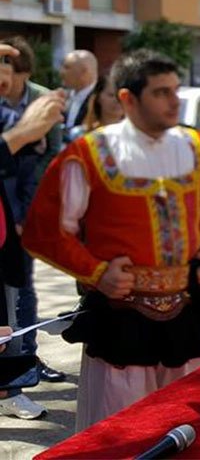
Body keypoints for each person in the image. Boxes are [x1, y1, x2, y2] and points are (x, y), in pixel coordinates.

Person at [22, 49, 200, 430]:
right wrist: (95, 271)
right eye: (160, 92)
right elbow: (46, 230)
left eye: (175, 90)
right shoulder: (88, 153)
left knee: (186, 423)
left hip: (183, 314)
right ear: (127, 99)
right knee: (120, 428)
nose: (173, 101)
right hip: (120, 319)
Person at [0, 44, 65, 421]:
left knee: (14, 306)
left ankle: (12, 387)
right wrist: (20, 134)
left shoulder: (33, 103)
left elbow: (42, 156)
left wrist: (26, 212)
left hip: (12, 220)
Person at [69, 74, 125, 138]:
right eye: (111, 95)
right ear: (98, 97)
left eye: (121, 95)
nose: (117, 100)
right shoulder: (79, 134)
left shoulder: (134, 136)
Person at [60, 50, 98, 132]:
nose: (61, 72)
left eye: (67, 68)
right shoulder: (64, 97)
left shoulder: (101, 98)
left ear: (84, 72)